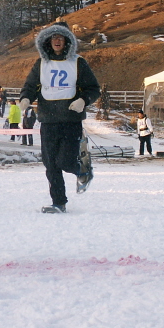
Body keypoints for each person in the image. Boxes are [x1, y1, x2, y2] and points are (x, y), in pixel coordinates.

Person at [19, 22, 100, 213]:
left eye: (60, 37)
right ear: (47, 41)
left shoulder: (78, 62)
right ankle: (59, 202)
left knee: (64, 161)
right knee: (50, 165)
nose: (57, 40)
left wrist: (83, 100)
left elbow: (93, 88)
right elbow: (30, 85)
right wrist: (25, 98)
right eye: (53, 37)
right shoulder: (41, 63)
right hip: (48, 120)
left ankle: (82, 169)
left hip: (70, 120)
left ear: (67, 41)